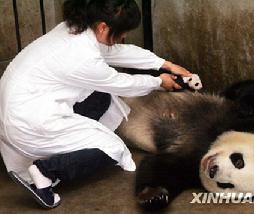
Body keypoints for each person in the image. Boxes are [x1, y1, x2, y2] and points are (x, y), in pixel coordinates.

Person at [0, 0, 195, 209]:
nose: (123, 37)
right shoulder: (83, 58)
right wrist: (159, 82)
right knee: (112, 149)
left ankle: (70, 143)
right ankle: (46, 173)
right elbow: (123, 84)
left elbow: (116, 52)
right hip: (30, 124)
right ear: (103, 27)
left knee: (101, 96)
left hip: (15, 111)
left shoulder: (73, 30)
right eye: (122, 32)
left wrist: (165, 64)